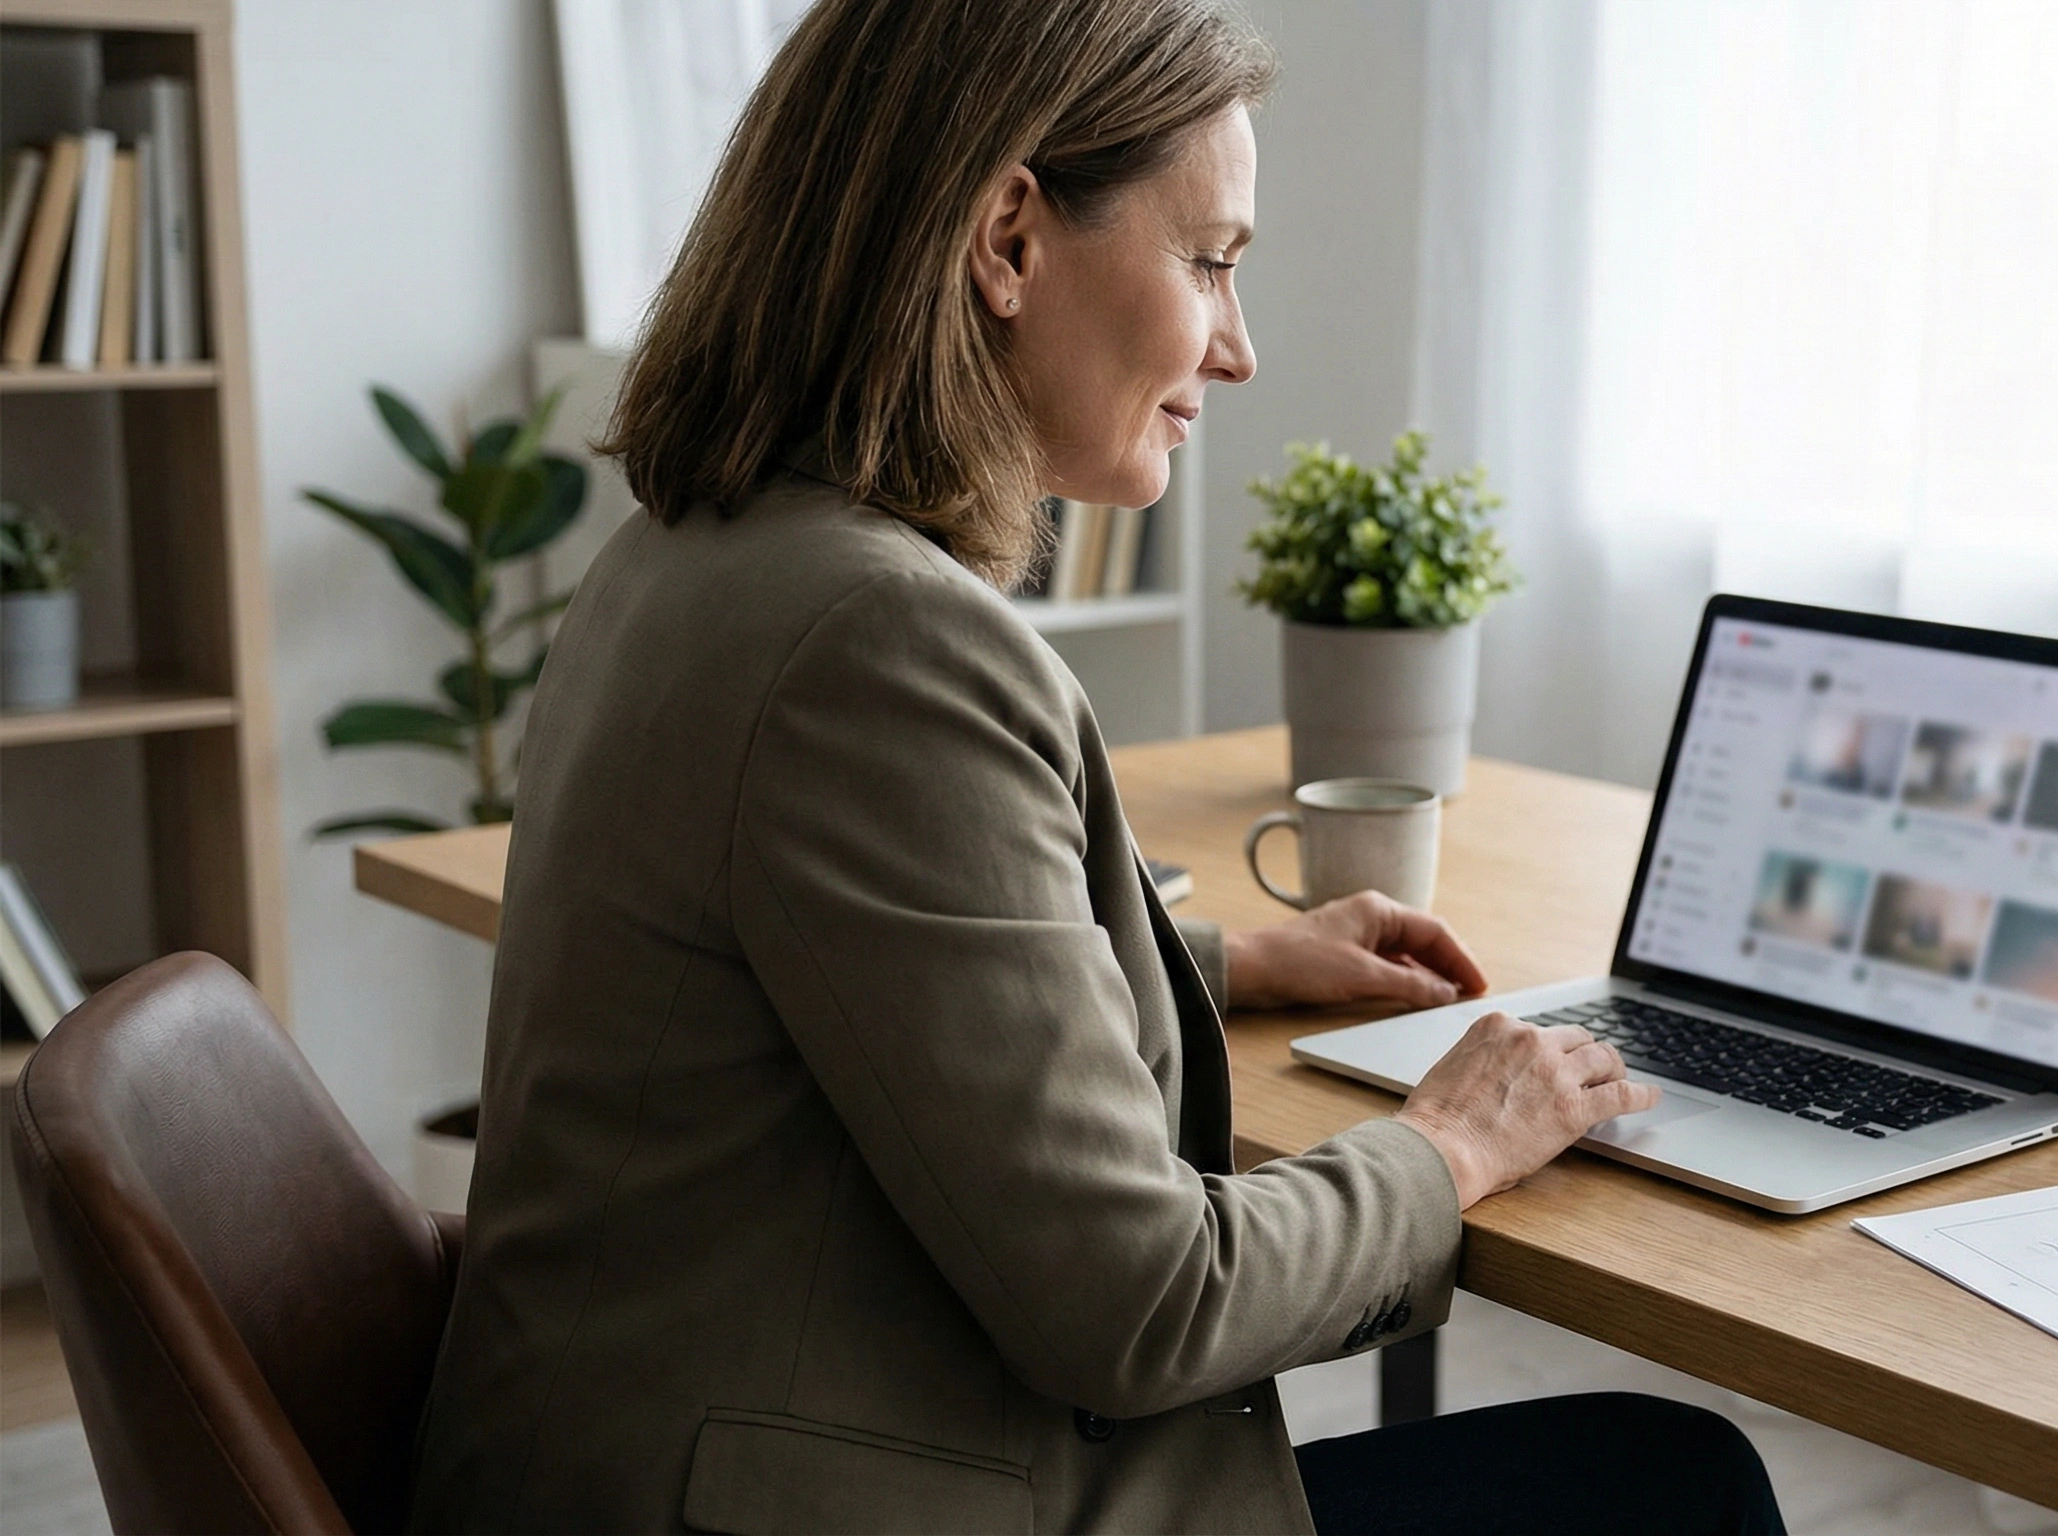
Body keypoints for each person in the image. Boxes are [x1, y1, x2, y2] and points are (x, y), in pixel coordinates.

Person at [408, 2, 1786, 1532]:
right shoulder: (879, 643)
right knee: (1677, 1487)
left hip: (646, 1453)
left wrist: (1220, 960)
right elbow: (1148, 1308)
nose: (1241, 347)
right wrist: (1451, 1141)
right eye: (1212, 260)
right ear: (1007, 238)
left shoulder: (693, 553)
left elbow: (857, 968)